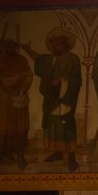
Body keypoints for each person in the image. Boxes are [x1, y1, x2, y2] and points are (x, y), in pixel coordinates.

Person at [23, 27, 82, 172]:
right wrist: (27, 49)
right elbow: (38, 59)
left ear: (65, 45)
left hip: (66, 99)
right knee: (53, 126)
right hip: (51, 98)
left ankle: (72, 157)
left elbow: (76, 80)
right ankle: (57, 152)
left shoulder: (73, 59)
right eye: (54, 45)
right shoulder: (49, 59)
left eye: (59, 45)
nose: (56, 48)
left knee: (67, 127)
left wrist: (62, 81)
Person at [0, 39, 33, 171]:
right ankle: (1, 153)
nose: (10, 49)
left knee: (20, 125)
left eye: (12, 47)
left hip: (18, 96)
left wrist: (21, 88)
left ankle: (20, 155)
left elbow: (28, 76)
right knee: (3, 124)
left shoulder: (21, 60)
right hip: (4, 98)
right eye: (7, 47)